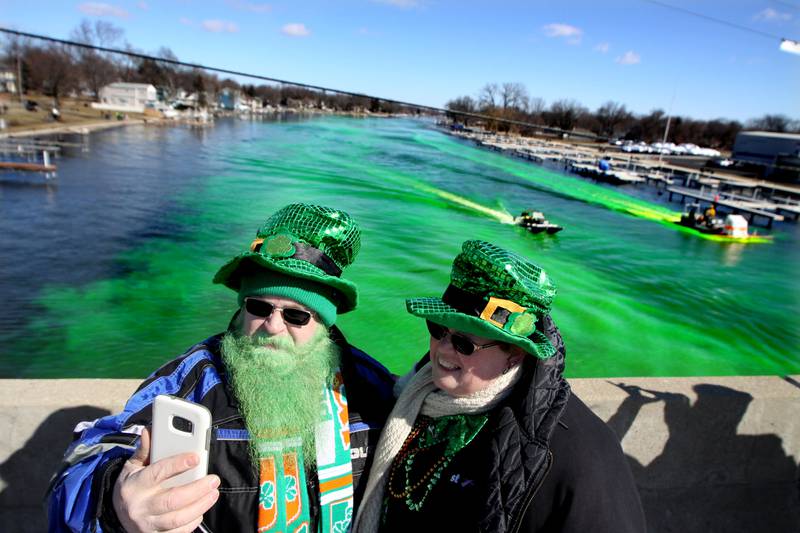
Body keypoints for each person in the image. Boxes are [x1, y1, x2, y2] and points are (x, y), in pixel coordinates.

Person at [47, 203, 395, 532]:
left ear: (324, 323)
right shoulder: (191, 381)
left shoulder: (370, 388)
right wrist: (114, 502)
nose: (273, 326)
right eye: (259, 307)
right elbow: (85, 460)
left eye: (295, 315)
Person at [353, 240, 645, 532]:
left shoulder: (576, 453)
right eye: (438, 329)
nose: (442, 349)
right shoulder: (417, 394)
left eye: (464, 343)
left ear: (514, 355)